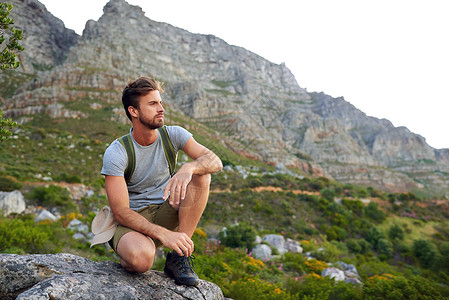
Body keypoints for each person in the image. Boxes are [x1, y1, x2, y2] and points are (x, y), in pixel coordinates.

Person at [100, 76, 223, 286]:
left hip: (164, 209)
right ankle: (129, 248)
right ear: (134, 111)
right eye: (152, 104)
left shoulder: (173, 134)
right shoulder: (117, 152)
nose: (161, 108)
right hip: (132, 221)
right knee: (141, 261)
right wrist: (164, 235)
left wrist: (189, 167)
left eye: (160, 102)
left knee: (202, 174)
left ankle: (179, 257)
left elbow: (215, 161)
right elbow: (121, 211)